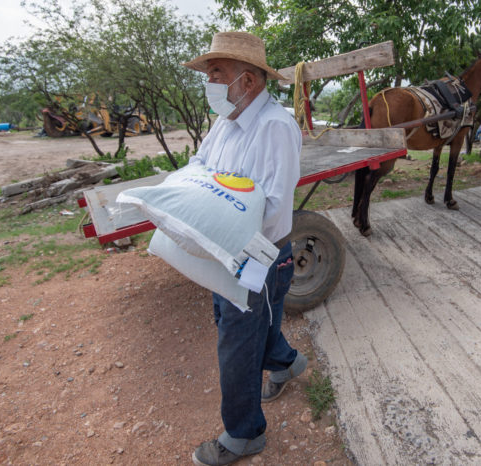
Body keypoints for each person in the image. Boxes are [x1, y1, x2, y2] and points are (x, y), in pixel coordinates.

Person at [182, 31, 307, 466]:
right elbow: (199, 167)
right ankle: (287, 364)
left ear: (248, 81)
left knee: (237, 339)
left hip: (256, 256)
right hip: (225, 249)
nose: (210, 81)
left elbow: (273, 209)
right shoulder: (227, 121)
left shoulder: (275, 127)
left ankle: (244, 434)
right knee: (245, 322)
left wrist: (222, 226)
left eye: (217, 72)